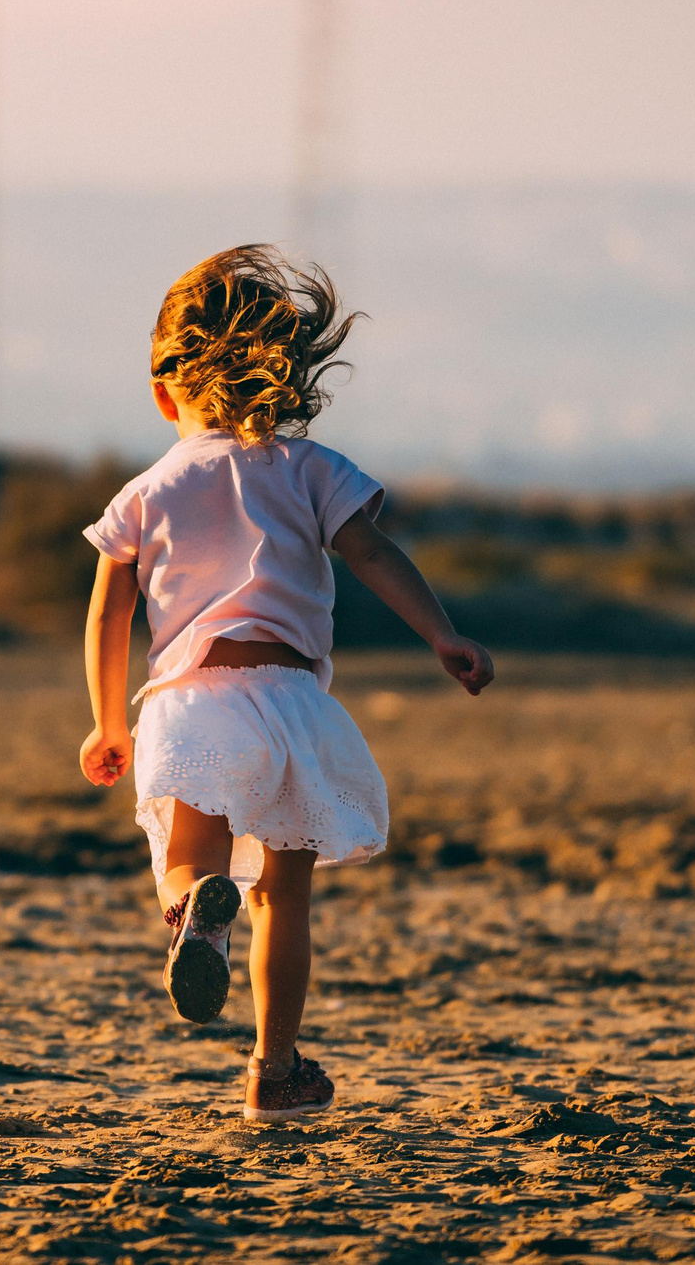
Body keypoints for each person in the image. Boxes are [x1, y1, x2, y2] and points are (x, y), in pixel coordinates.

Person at [77, 244, 495, 1121]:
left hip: (193, 702)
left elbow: (110, 611)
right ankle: (276, 1064)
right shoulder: (312, 468)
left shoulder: (149, 488)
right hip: (294, 703)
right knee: (286, 897)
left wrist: (105, 722)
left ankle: (194, 909)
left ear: (164, 392)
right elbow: (375, 553)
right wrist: (443, 633)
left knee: (189, 860)